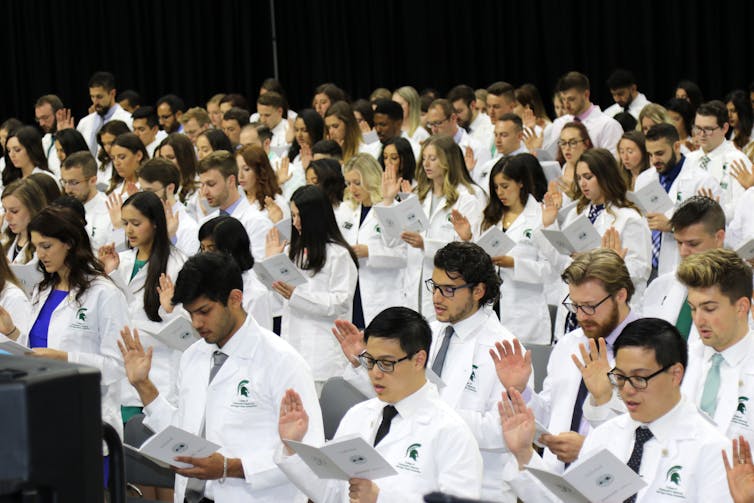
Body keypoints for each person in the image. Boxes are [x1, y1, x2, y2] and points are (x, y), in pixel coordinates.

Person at [119, 252, 323, 502]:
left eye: (204, 311)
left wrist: (230, 467)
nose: (196, 323)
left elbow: (307, 453)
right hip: (192, 496)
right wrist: (143, 385)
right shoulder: (194, 355)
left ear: (235, 298)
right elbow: (185, 431)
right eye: (191, 313)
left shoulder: (283, 362)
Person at [500, 317, 732, 502]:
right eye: (620, 377)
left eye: (640, 378)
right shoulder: (606, 433)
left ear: (675, 374)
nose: (627, 390)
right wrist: (523, 454)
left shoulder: (712, 448)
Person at [276, 306, 483, 501]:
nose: (375, 373)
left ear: (419, 360)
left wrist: (381, 498)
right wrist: (293, 448)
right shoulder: (357, 415)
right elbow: (333, 494)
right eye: (370, 361)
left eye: (386, 363)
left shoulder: (451, 431)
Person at [493, 249, 637, 473]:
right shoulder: (569, 344)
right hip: (557, 481)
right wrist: (522, 391)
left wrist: (589, 448)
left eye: (589, 306)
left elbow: (646, 432)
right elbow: (550, 416)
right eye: (575, 306)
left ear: (620, 295)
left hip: (610, 483)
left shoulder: (649, 348)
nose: (580, 316)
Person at [1, 206, 129, 441]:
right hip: (42, 414)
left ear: (69, 242)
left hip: (87, 419)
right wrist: (11, 331)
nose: (40, 254)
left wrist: (63, 359)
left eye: (46, 246)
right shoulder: (43, 290)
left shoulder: (105, 294)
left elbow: (118, 366)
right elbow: (36, 348)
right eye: (36, 246)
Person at [541, 148, 651, 340]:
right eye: (579, 177)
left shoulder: (629, 218)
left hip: (608, 310)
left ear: (605, 175)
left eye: (588, 176)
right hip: (574, 306)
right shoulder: (577, 213)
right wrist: (549, 224)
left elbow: (641, 270)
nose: (582, 183)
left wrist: (612, 263)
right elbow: (562, 264)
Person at [98, 191, 188, 422]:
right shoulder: (122, 261)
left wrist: (171, 310)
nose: (129, 230)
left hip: (158, 372)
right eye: (125, 223)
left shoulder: (177, 264)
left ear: (156, 223)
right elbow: (119, 311)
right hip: (122, 374)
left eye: (136, 223)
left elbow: (188, 332)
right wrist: (110, 274)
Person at [265, 185, 358, 391]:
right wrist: (272, 263)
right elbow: (279, 302)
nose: (295, 223)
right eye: (293, 216)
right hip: (292, 349)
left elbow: (340, 302)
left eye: (300, 216)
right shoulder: (291, 251)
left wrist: (297, 295)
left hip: (322, 356)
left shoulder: (338, 254)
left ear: (315, 217)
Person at [455, 156, 554, 344]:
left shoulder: (541, 217)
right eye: (496, 187)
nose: (500, 192)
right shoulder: (489, 217)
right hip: (490, 308)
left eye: (505, 186)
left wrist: (514, 264)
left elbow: (549, 270)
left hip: (525, 314)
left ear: (521, 183)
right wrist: (468, 238)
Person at [384, 135, 484, 318]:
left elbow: (471, 250)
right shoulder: (417, 197)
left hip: (447, 291)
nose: (426, 164)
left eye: (433, 158)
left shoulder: (467, 199)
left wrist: (425, 244)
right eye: (424, 158)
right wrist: (388, 201)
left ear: (448, 161)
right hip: (413, 292)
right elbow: (392, 241)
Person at [676, 250, 754, 439]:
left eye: (709, 309)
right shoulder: (678, 359)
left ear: (741, 307)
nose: (698, 320)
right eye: (693, 309)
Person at [635, 124, 720, 277]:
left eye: (660, 153)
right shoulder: (644, 179)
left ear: (676, 147)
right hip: (648, 265)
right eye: (650, 154)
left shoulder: (702, 181)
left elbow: (711, 231)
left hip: (683, 265)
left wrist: (672, 226)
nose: (654, 160)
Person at [641, 196, 725, 343]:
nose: (684, 252)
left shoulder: (740, 288)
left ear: (718, 238)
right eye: (679, 243)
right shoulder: (661, 285)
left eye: (693, 243)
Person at [336, 153, 407, 328]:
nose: (352, 189)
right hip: (352, 290)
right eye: (349, 183)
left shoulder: (391, 208)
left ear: (370, 179)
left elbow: (401, 255)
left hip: (381, 292)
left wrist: (369, 252)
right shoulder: (346, 209)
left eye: (357, 183)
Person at [198, 216, 272, 330]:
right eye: (203, 248)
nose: (205, 255)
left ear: (231, 250)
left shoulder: (255, 294)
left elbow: (260, 340)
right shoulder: (204, 285)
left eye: (212, 249)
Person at [196, 150, 272, 259]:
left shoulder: (257, 222)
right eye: (202, 185)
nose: (205, 192)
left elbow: (257, 271)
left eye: (211, 184)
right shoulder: (206, 222)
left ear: (231, 181)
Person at [686, 100, 751, 219]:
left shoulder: (737, 160)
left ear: (725, 128)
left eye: (708, 129)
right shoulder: (689, 159)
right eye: (698, 128)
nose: (701, 134)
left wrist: (713, 214)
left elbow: (743, 207)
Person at [539, 72, 623, 161]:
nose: (566, 105)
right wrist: (537, 149)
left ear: (586, 94)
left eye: (571, 99)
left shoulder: (608, 125)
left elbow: (613, 164)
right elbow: (553, 161)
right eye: (563, 99)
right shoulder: (559, 123)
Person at [137, 158, 200, 257]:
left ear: (170, 188)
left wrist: (170, 238)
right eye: (142, 190)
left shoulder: (188, 227)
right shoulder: (143, 219)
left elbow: (186, 266)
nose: (145, 197)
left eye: (150, 191)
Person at [58, 151, 112, 252]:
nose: (67, 190)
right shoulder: (62, 208)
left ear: (93, 180)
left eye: (73, 183)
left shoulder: (109, 212)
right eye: (64, 182)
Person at [77, 71, 133, 156]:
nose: (95, 102)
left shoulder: (128, 120)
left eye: (99, 97)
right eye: (92, 96)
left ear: (112, 93)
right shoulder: (84, 123)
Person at [425, 99, 491, 170]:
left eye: (437, 123)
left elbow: (480, 181)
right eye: (430, 124)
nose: (434, 130)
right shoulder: (428, 149)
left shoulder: (478, 150)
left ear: (453, 118)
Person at [235, 144, 290, 223]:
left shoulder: (278, 203)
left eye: (246, 169)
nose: (240, 176)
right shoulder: (237, 199)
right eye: (238, 169)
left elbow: (285, 233)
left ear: (260, 171)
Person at [2, 179, 47, 264]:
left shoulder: (45, 244)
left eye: (14, 211)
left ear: (33, 209)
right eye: (5, 210)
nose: (7, 218)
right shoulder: (6, 240)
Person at [553, 121, 593, 201]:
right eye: (563, 143)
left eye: (573, 142)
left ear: (586, 144)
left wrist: (575, 196)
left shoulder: (594, 171)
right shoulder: (557, 168)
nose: (567, 148)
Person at [154, 132, 197, 204]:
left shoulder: (198, 186)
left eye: (170, 158)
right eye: (161, 158)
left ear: (184, 158)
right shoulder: (159, 184)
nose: (164, 162)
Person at [448, 84, 494, 151]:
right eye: (453, 112)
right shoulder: (454, 127)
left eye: (459, 111)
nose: (456, 117)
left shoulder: (490, 128)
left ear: (472, 105)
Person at [107, 132, 147, 197]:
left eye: (122, 157)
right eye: (113, 158)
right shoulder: (114, 185)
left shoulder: (148, 187)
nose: (116, 163)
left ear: (139, 155)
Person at [95, 120, 131, 191]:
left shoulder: (131, 162)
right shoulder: (102, 159)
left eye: (111, 143)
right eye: (104, 144)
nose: (107, 148)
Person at [726, 90, 754, 160]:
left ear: (743, 111)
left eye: (733, 111)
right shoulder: (727, 133)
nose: (729, 115)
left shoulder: (752, 133)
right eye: (727, 111)